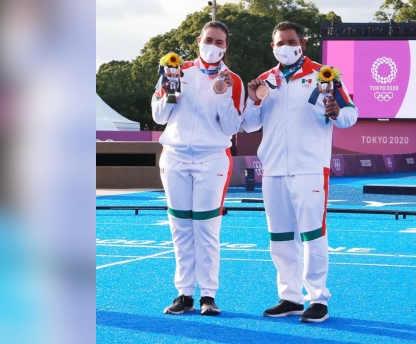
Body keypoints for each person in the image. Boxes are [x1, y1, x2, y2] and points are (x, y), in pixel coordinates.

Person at [242, 21, 358, 323]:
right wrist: (254, 99)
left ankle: (317, 298)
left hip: (310, 168)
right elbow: (250, 124)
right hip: (274, 168)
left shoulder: (325, 75)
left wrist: (336, 113)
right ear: (272, 46)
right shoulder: (266, 80)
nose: (286, 47)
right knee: (280, 237)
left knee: (312, 235)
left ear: (302, 43)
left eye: (291, 41)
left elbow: (350, 113)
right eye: (280, 43)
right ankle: (290, 297)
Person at [151, 21, 244, 316]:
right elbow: (159, 116)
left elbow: (231, 126)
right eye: (209, 40)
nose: (213, 46)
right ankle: (184, 294)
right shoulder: (178, 70)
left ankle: (208, 295)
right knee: (180, 228)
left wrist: (225, 95)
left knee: (206, 228)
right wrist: (169, 88)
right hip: (175, 157)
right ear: (198, 40)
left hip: (212, 159)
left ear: (226, 46)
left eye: (219, 42)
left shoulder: (234, 80)